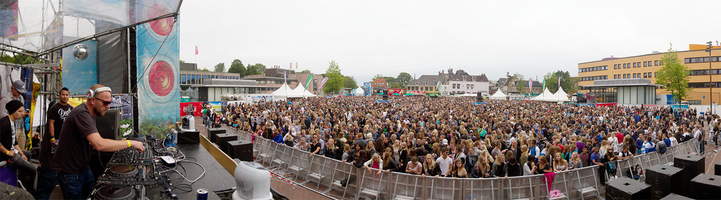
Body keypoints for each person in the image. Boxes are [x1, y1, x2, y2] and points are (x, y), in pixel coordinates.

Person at [53, 84, 146, 199]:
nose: (108, 106)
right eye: (105, 103)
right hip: (70, 172)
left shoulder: (89, 114)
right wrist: (130, 143)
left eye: (110, 102)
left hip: (83, 168)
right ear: (92, 100)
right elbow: (99, 144)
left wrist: (118, 144)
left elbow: (95, 139)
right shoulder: (81, 114)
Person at [35, 88, 73, 199]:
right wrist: (52, 137)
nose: (65, 96)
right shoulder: (54, 108)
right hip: (55, 140)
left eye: (66, 94)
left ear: (68, 95)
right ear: (59, 95)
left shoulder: (71, 108)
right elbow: (51, 123)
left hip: (65, 141)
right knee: (53, 161)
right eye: (63, 94)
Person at [0, 100, 36, 184]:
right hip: (7, 156)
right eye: (19, 111)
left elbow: (15, 142)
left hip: (12, 150)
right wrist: (8, 152)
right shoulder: (4, 123)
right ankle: (27, 191)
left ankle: (21, 178)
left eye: (22, 111)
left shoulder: (13, 122)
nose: (22, 113)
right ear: (13, 111)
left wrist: (22, 154)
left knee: (28, 154)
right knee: (33, 170)